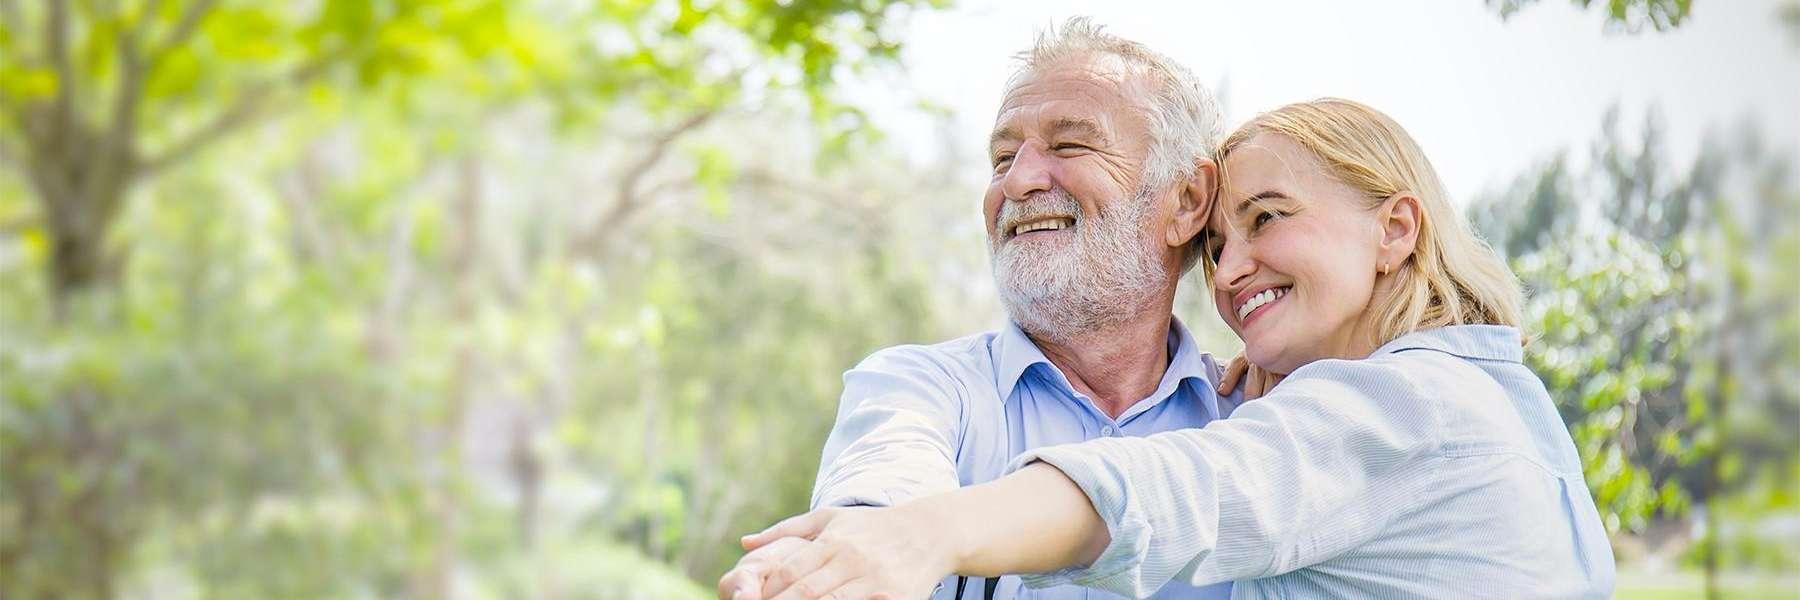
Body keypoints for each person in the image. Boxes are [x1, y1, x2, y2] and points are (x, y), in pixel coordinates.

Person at [722, 98, 1617, 599]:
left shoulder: (1407, 410)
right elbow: (885, 466)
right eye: (1220, 246)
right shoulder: (1484, 404)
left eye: (1269, 218)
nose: (1233, 269)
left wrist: (926, 535)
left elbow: (1184, 489)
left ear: (1395, 230)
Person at [717, 18, 1243, 600]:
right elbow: (884, 482)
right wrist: (844, 555)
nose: (1016, 182)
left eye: (1069, 144)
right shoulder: (918, 387)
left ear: (1188, 200)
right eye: (1001, 158)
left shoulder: (1257, 417)